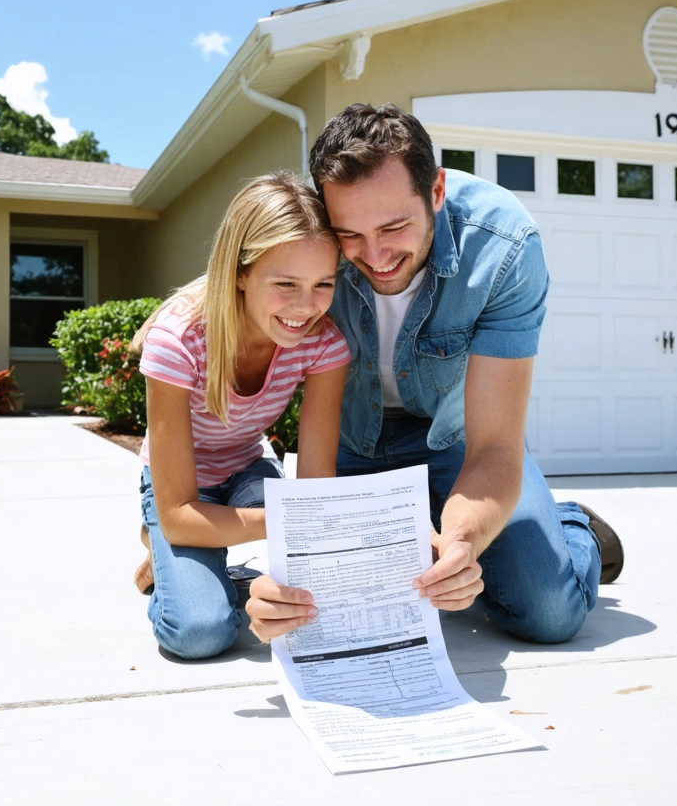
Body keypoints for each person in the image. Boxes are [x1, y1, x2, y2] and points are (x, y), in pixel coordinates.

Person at [246, 104, 624, 647]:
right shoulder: (310, 240)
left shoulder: (505, 246)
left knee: (547, 611)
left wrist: (462, 543)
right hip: (351, 444)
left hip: (458, 441)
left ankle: (571, 527)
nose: (373, 256)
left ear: (437, 190)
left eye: (395, 226)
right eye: (349, 234)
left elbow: (495, 446)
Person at [132, 172, 350, 660]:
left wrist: (303, 528)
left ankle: (187, 559)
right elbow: (182, 513)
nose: (306, 307)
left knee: (319, 602)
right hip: (182, 490)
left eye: (323, 284)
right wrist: (283, 521)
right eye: (286, 283)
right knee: (199, 632)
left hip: (250, 470)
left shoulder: (324, 344)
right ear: (240, 272)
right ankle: (167, 554)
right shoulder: (178, 339)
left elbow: (315, 488)